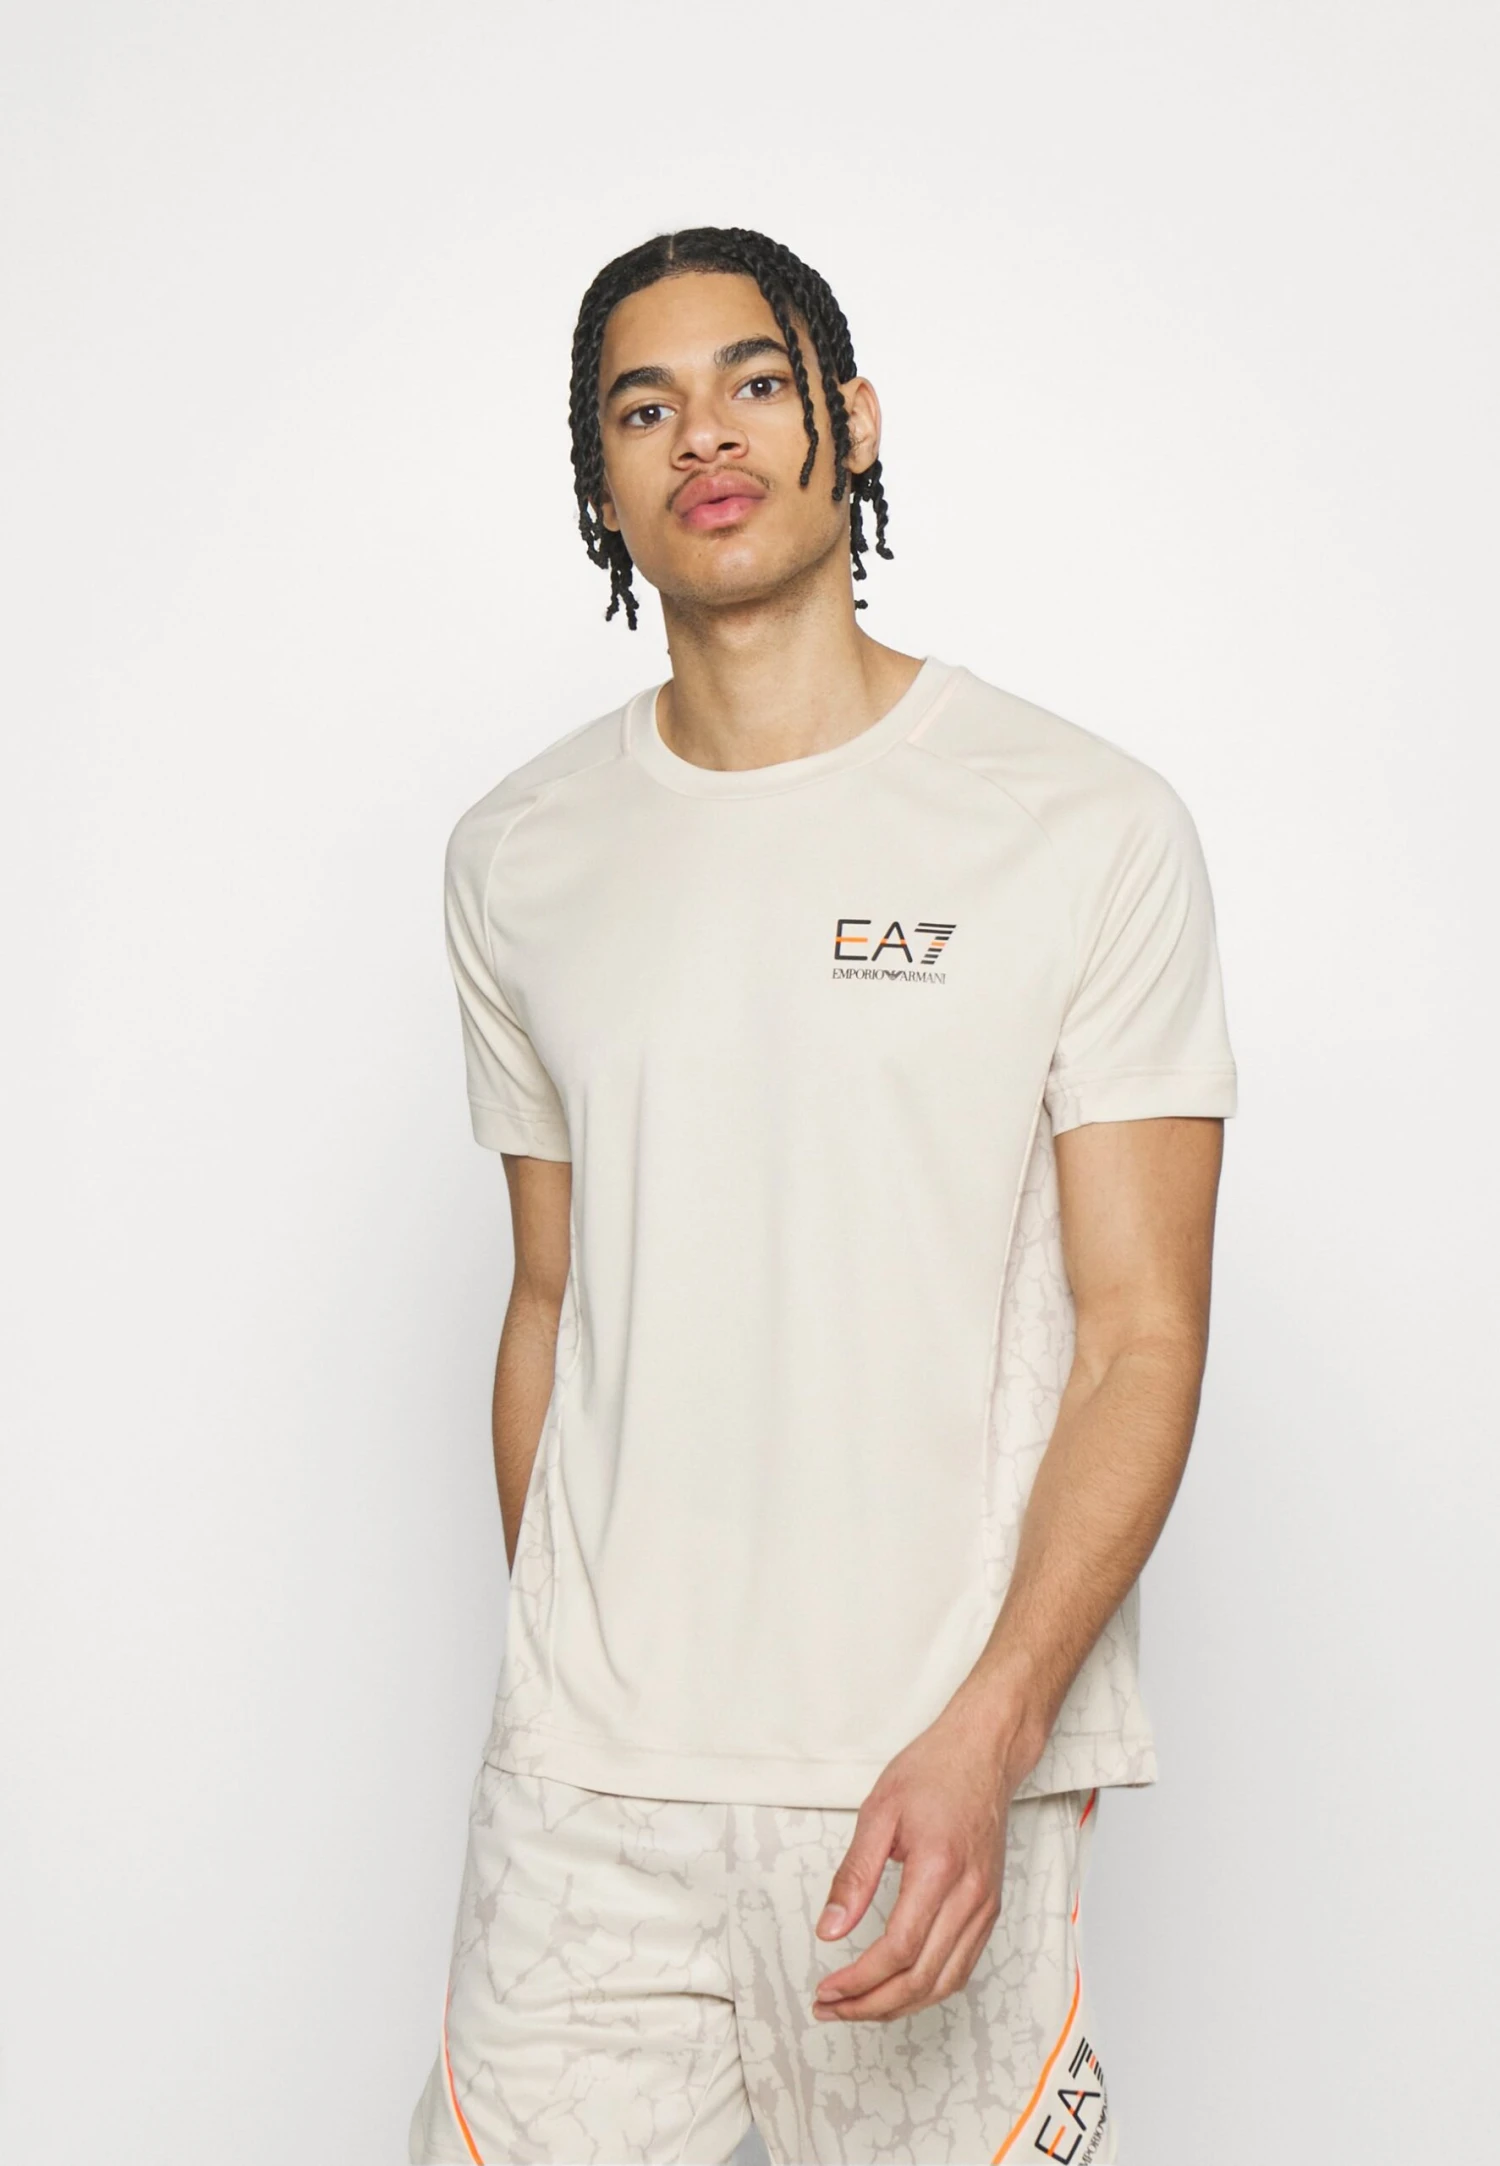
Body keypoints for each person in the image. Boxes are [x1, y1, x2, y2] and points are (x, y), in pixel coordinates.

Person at [408, 225, 1237, 2166]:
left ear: (849, 422)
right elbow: (551, 1300)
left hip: (927, 1766)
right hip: (587, 1797)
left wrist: (998, 1729)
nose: (704, 433)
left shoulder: (1084, 827)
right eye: (643, 407)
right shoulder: (517, 854)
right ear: (602, 482)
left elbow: (1141, 1337)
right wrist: (568, 1679)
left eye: (755, 381)